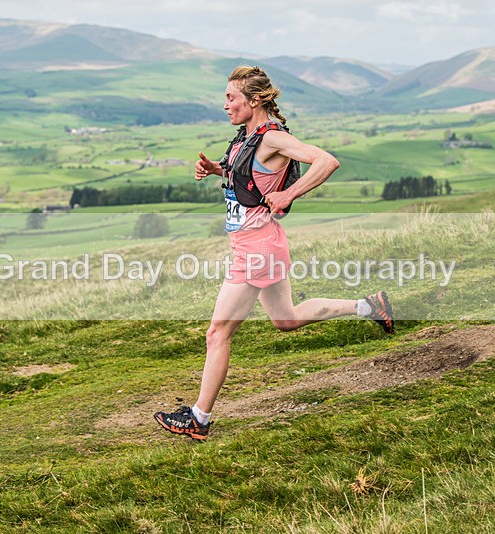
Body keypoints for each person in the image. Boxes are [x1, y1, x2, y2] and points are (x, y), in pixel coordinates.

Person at [154, 66, 394, 441]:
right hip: (259, 244)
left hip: (258, 249)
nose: (225, 105)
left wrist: (288, 194)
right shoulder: (246, 137)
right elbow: (249, 180)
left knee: (217, 333)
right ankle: (369, 306)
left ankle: (199, 419)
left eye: (231, 98)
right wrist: (217, 169)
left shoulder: (274, 138)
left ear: (253, 101)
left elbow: (327, 160)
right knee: (286, 319)